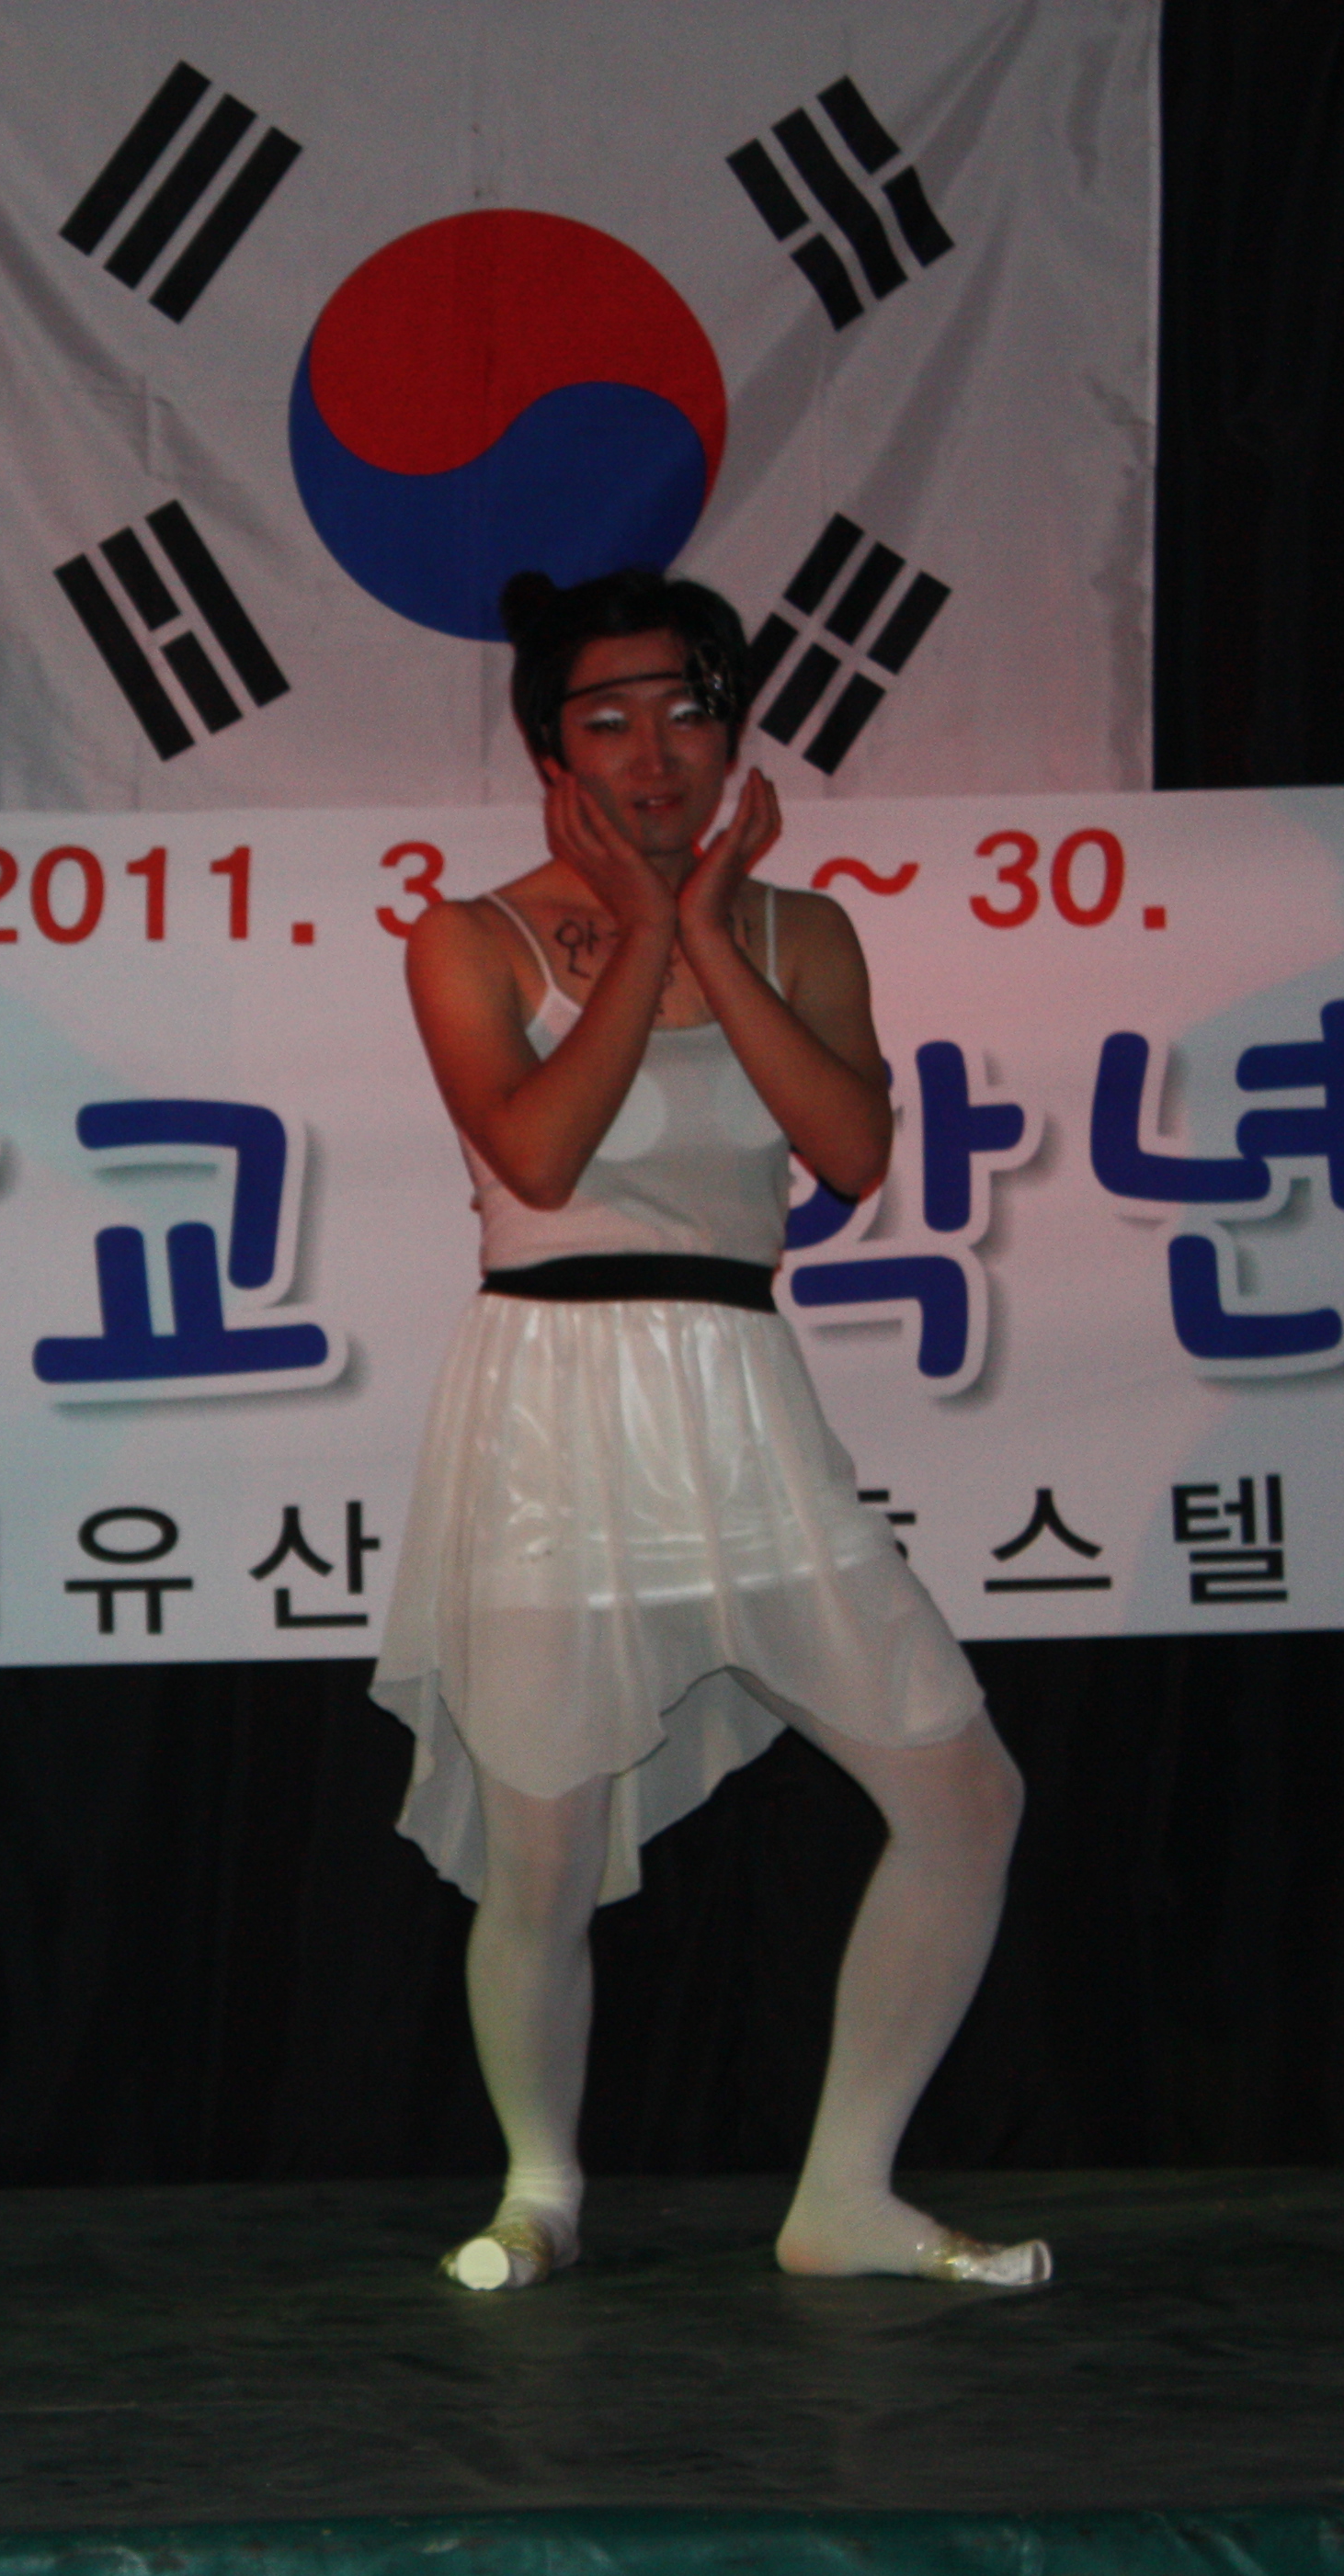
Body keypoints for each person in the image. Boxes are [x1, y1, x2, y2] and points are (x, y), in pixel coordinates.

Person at [379, 568, 1042, 2293]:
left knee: (964, 1793)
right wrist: (642, 925)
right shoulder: (468, 937)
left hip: (741, 1395)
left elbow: (851, 1153)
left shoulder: (804, 931)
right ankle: (539, 2192)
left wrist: (703, 926)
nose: (653, 752)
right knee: (542, 1849)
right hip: (549, 1400)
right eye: (606, 721)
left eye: (686, 712)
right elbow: (539, 1155)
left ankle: (845, 2195)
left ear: (736, 732)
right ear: (550, 753)